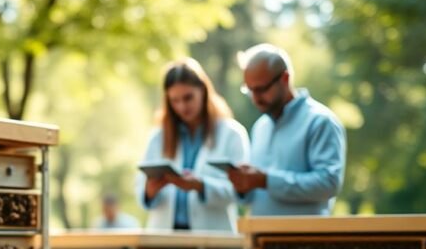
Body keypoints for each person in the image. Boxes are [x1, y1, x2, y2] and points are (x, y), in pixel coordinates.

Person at [228, 44, 346, 215]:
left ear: (284, 78)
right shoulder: (261, 126)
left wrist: (266, 180)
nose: (255, 98)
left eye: (261, 89)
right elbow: (258, 195)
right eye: (250, 90)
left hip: (303, 238)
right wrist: (244, 185)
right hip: (262, 237)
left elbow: (328, 184)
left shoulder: (320, 121)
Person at [135, 58, 249, 231]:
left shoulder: (231, 133)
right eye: (175, 100)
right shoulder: (158, 137)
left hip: (214, 238)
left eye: (188, 98)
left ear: (203, 91)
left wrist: (201, 186)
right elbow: (140, 191)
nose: (182, 107)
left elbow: (241, 191)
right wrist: (149, 191)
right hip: (164, 239)